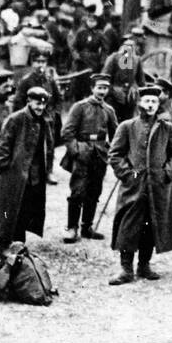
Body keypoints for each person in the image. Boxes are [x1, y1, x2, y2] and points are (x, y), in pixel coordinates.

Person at [108, 84, 172, 284]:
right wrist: (128, 174)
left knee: (151, 226)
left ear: (159, 104)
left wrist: (166, 174)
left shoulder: (167, 128)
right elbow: (115, 155)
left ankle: (144, 265)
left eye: (154, 101)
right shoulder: (127, 126)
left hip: (157, 187)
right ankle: (126, 269)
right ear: (140, 103)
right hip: (133, 186)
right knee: (128, 225)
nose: (150, 105)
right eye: (146, 101)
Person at [0, 86, 55, 257]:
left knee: (24, 211)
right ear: (28, 101)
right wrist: (5, 170)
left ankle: (18, 246)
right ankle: (4, 247)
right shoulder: (15, 119)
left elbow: (48, 147)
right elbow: (1, 146)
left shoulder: (44, 121)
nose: (40, 107)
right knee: (7, 211)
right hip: (11, 173)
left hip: (32, 174)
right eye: (37, 103)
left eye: (43, 104)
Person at [60, 72, 118, 242]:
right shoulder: (80, 107)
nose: (102, 91)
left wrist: (113, 152)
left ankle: (87, 227)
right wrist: (76, 151)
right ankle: (72, 228)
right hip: (82, 153)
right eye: (99, 87)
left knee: (94, 191)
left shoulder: (109, 110)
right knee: (78, 191)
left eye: (105, 88)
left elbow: (116, 135)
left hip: (100, 155)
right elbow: (67, 132)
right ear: (92, 88)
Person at [102, 29, 148, 122]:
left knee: (127, 123)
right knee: (113, 122)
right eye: (126, 46)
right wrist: (112, 90)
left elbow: (141, 81)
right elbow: (104, 78)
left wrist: (137, 89)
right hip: (114, 97)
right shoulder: (114, 58)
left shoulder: (136, 60)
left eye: (132, 46)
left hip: (130, 97)